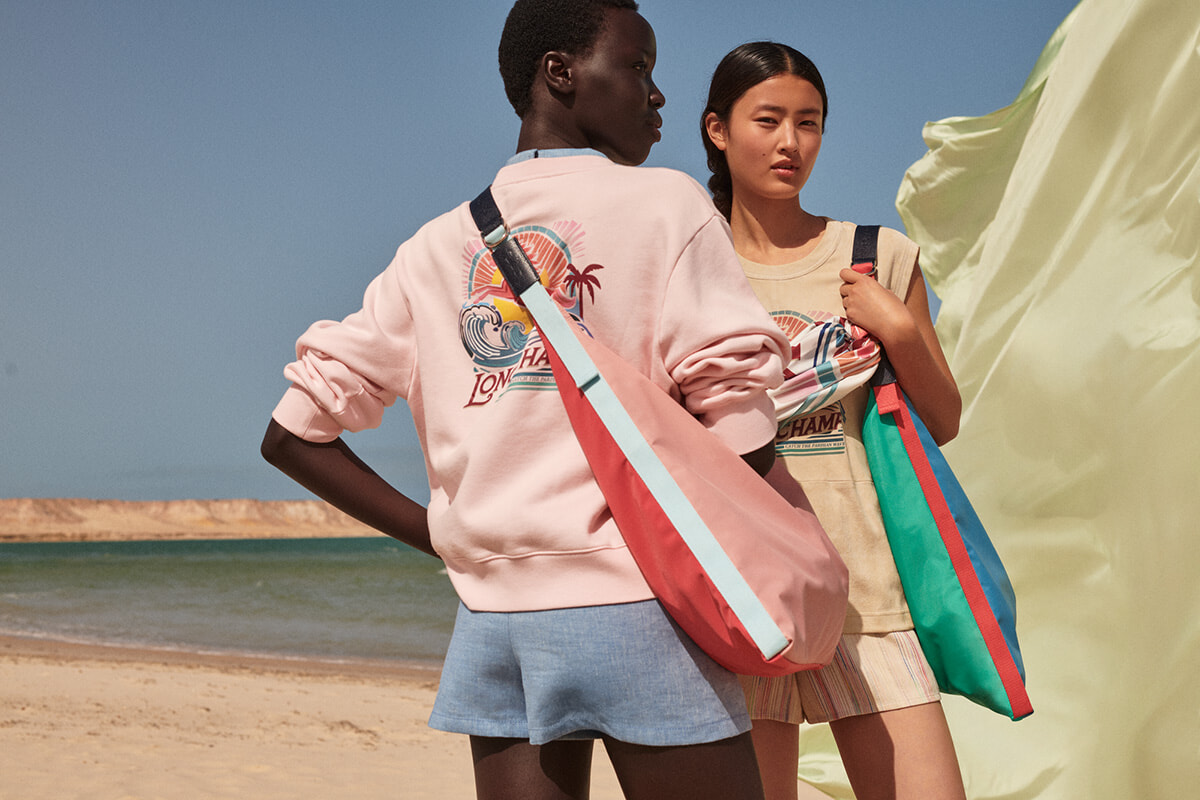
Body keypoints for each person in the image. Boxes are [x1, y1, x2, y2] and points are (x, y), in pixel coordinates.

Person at [261, 3, 792, 799]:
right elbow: (741, 422)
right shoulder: (667, 204)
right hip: (641, 603)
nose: (657, 95)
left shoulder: (434, 247)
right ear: (560, 73)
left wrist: (446, 536)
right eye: (638, 67)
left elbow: (292, 434)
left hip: (495, 621)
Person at [700, 42, 967, 800]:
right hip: (735, 591)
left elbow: (943, 417)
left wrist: (899, 330)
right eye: (768, 120)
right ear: (718, 130)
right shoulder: (690, 265)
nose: (790, 142)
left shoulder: (875, 255)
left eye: (809, 122)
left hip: (866, 588)